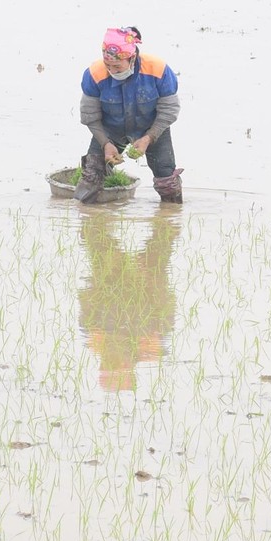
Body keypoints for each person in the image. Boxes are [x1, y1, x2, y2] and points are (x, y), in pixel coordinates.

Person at [77, 26, 183, 203]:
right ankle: (90, 222)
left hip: (152, 126)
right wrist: (105, 144)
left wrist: (149, 138)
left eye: (117, 66)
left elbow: (169, 110)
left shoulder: (158, 69)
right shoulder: (94, 74)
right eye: (108, 65)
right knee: (92, 174)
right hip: (110, 129)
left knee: (166, 179)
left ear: (132, 58)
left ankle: (170, 220)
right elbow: (90, 116)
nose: (112, 70)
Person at [78, 211, 180, 392]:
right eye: (114, 364)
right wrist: (148, 277)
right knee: (165, 233)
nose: (114, 359)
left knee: (92, 231)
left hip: (128, 283)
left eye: (110, 363)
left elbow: (87, 297)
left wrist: (112, 273)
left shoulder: (94, 338)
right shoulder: (151, 344)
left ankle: (169, 202)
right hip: (128, 283)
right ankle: (168, 209)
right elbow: (166, 305)